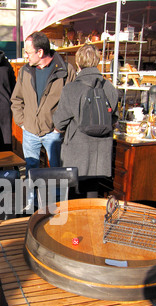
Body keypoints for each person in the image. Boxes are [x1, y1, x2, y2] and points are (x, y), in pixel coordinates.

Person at [53, 44, 119, 197]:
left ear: (77, 63)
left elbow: (59, 121)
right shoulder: (109, 87)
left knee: (75, 199)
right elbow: (114, 117)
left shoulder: (71, 89)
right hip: (101, 152)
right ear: (97, 62)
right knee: (94, 196)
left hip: (76, 152)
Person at [11, 31, 76, 179]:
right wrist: (22, 122)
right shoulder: (25, 71)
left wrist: (59, 128)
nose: (26, 56)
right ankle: (32, 201)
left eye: (28, 52)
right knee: (31, 172)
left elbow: (72, 103)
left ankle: (58, 202)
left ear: (40, 52)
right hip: (30, 131)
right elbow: (16, 99)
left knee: (57, 173)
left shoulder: (66, 71)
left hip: (54, 133)